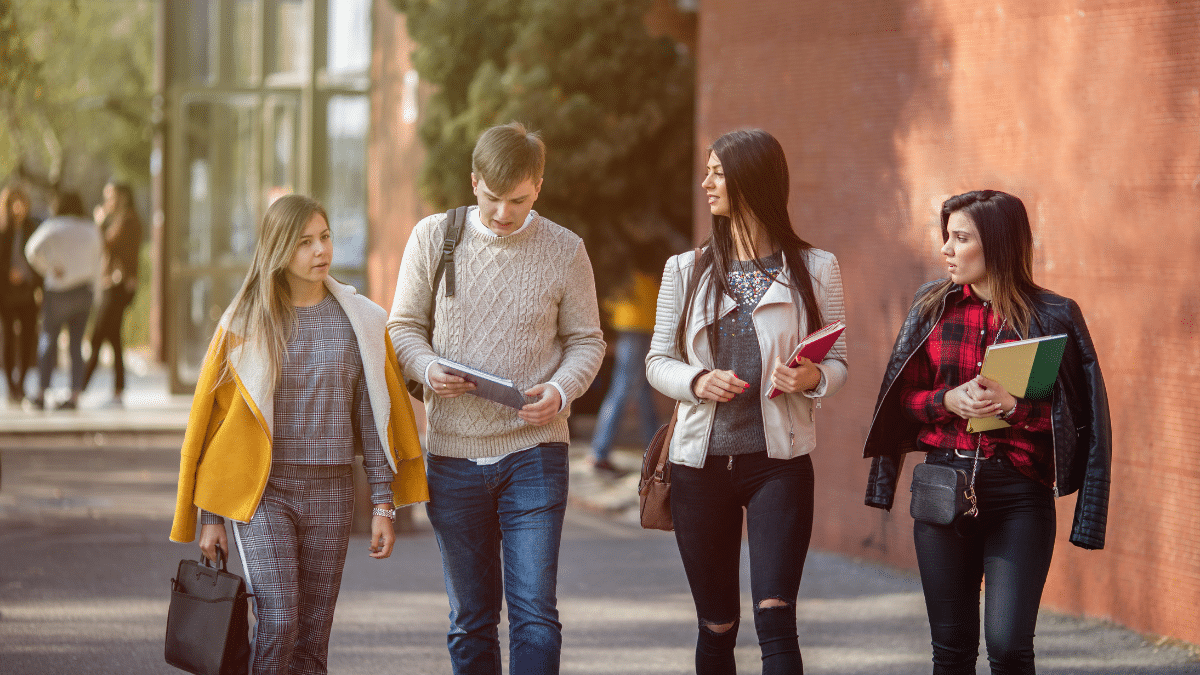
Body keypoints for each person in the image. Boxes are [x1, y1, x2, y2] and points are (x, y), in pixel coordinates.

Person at [169, 194, 429, 674]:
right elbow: (214, 426)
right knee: (280, 619)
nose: (320, 250)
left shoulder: (362, 321)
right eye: (305, 242)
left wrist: (382, 504)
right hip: (263, 492)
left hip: (331, 493)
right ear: (279, 249)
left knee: (313, 635)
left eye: (325, 237)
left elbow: (374, 420)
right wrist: (210, 517)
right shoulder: (245, 322)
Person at [862, 190, 1111, 674]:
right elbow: (901, 402)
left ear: (995, 244)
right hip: (941, 490)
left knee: (1009, 646)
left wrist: (1015, 407)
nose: (946, 250)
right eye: (946, 237)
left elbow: (1075, 422)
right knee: (951, 652)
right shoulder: (931, 308)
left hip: (1020, 496)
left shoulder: (1053, 315)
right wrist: (946, 400)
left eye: (960, 238)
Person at [388, 121, 605, 675]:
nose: (503, 213)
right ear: (473, 181)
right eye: (491, 198)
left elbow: (586, 341)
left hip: (535, 450)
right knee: (471, 620)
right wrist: (429, 366)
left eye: (518, 199)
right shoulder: (434, 237)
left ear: (538, 186)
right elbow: (404, 327)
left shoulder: (565, 249)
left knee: (534, 615)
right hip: (453, 456)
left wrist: (559, 391)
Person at [645, 128, 848, 674]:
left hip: (777, 467)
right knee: (717, 627)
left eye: (717, 171)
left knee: (777, 619)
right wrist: (696, 382)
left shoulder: (815, 267)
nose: (706, 181)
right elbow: (656, 360)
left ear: (752, 180)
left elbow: (839, 361)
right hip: (699, 468)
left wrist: (812, 376)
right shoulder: (684, 270)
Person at [586, 241, 666, 474]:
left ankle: (656, 452)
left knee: (641, 395)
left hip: (633, 333)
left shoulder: (628, 279)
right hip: (636, 335)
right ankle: (599, 452)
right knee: (621, 392)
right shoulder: (640, 280)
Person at [24, 192, 101, 411]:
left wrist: (48, 268)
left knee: (48, 339)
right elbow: (98, 263)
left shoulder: (54, 226)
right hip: (84, 290)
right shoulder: (90, 229)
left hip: (58, 291)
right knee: (76, 345)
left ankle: (41, 393)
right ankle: (75, 395)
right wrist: (94, 293)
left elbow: (31, 250)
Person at [82, 181, 142, 407]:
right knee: (114, 339)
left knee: (97, 336)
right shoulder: (123, 219)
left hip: (117, 286)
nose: (107, 201)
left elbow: (107, 244)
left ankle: (79, 389)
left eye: (111, 196)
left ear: (122, 197)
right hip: (114, 284)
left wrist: (98, 223)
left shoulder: (127, 220)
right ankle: (118, 390)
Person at [0, 185, 41, 404]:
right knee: (7, 338)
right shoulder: (2, 230)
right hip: (6, 293)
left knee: (28, 337)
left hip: (27, 291)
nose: (18, 207)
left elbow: (40, 261)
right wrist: (8, 273)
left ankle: (23, 382)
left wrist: (32, 281)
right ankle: (11, 386)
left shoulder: (32, 228)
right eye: (13, 202)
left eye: (21, 202)